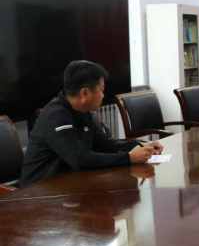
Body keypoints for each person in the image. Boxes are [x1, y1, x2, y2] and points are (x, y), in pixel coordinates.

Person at [21, 61, 162, 187]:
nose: (103, 95)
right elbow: (80, 159)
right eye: (101, 90)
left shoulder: (83, 110)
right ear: (85, 93)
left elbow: (105, 145)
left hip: (69, 184)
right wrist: (129, 157)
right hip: (38, 191)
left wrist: (140, 145)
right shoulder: (55, 116)